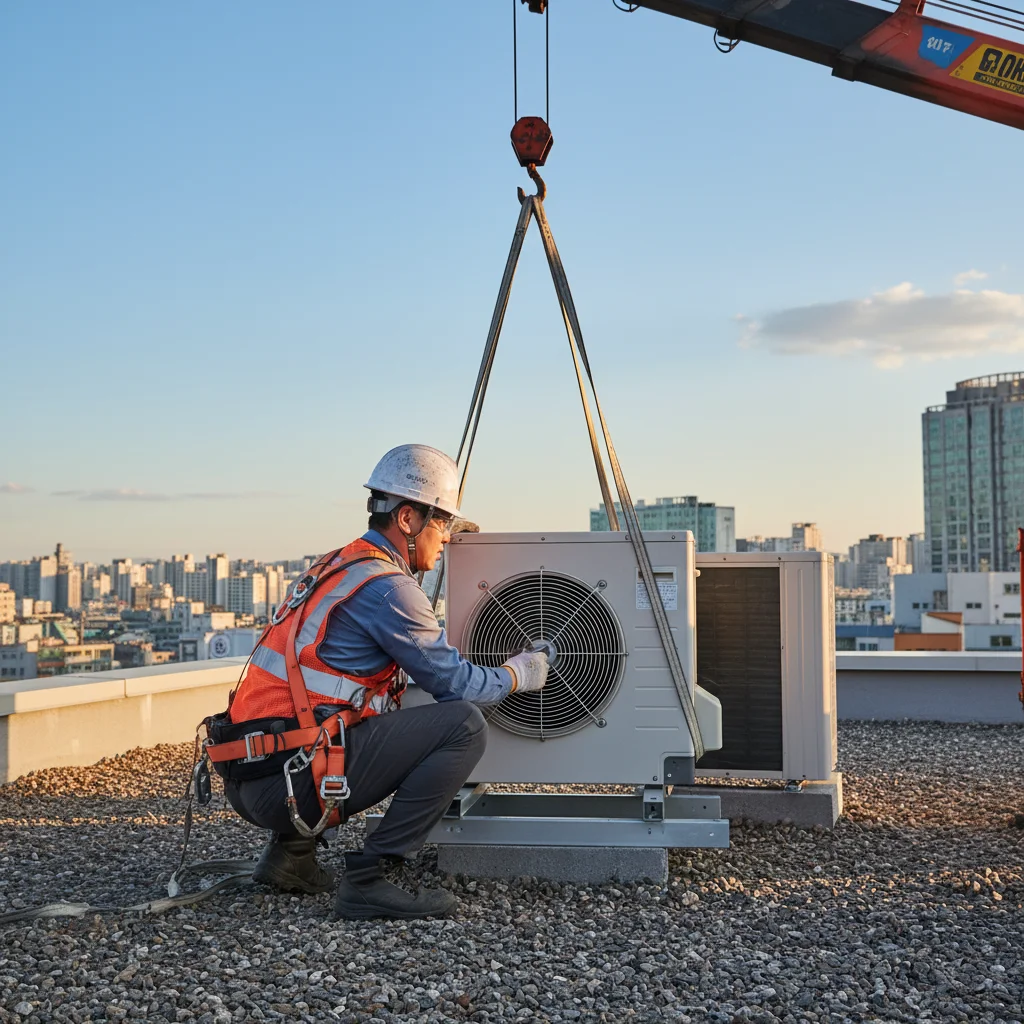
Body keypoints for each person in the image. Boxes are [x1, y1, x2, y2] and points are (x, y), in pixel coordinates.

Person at [210, 444, 550, 920]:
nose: (448, 538)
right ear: (407, 519)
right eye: (443, 524)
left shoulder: (339, 564)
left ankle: (290, 858)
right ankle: (370, 879)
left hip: (252, 773)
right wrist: (520, 673)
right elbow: (458, 684)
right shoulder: (389, 589)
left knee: (346, 716)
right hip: (285, 784)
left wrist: (440, 538)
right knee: (462, 725)